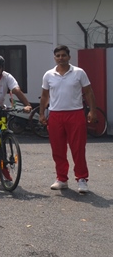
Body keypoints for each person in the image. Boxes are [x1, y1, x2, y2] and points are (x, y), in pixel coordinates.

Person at [40, 45, 97, 194]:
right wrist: (41, 114)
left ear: (69, 57)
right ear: (54, 58)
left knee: (78, 148)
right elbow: (45, 96)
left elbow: (89, 92)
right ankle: (61, 179)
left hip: (75, 114)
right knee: (58, 149)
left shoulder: (79, 73)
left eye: (63, 55)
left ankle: (82, 179)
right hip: (55, 115)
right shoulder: (48, 75)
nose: (61, 58)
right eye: (58, 55)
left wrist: (92, 110)